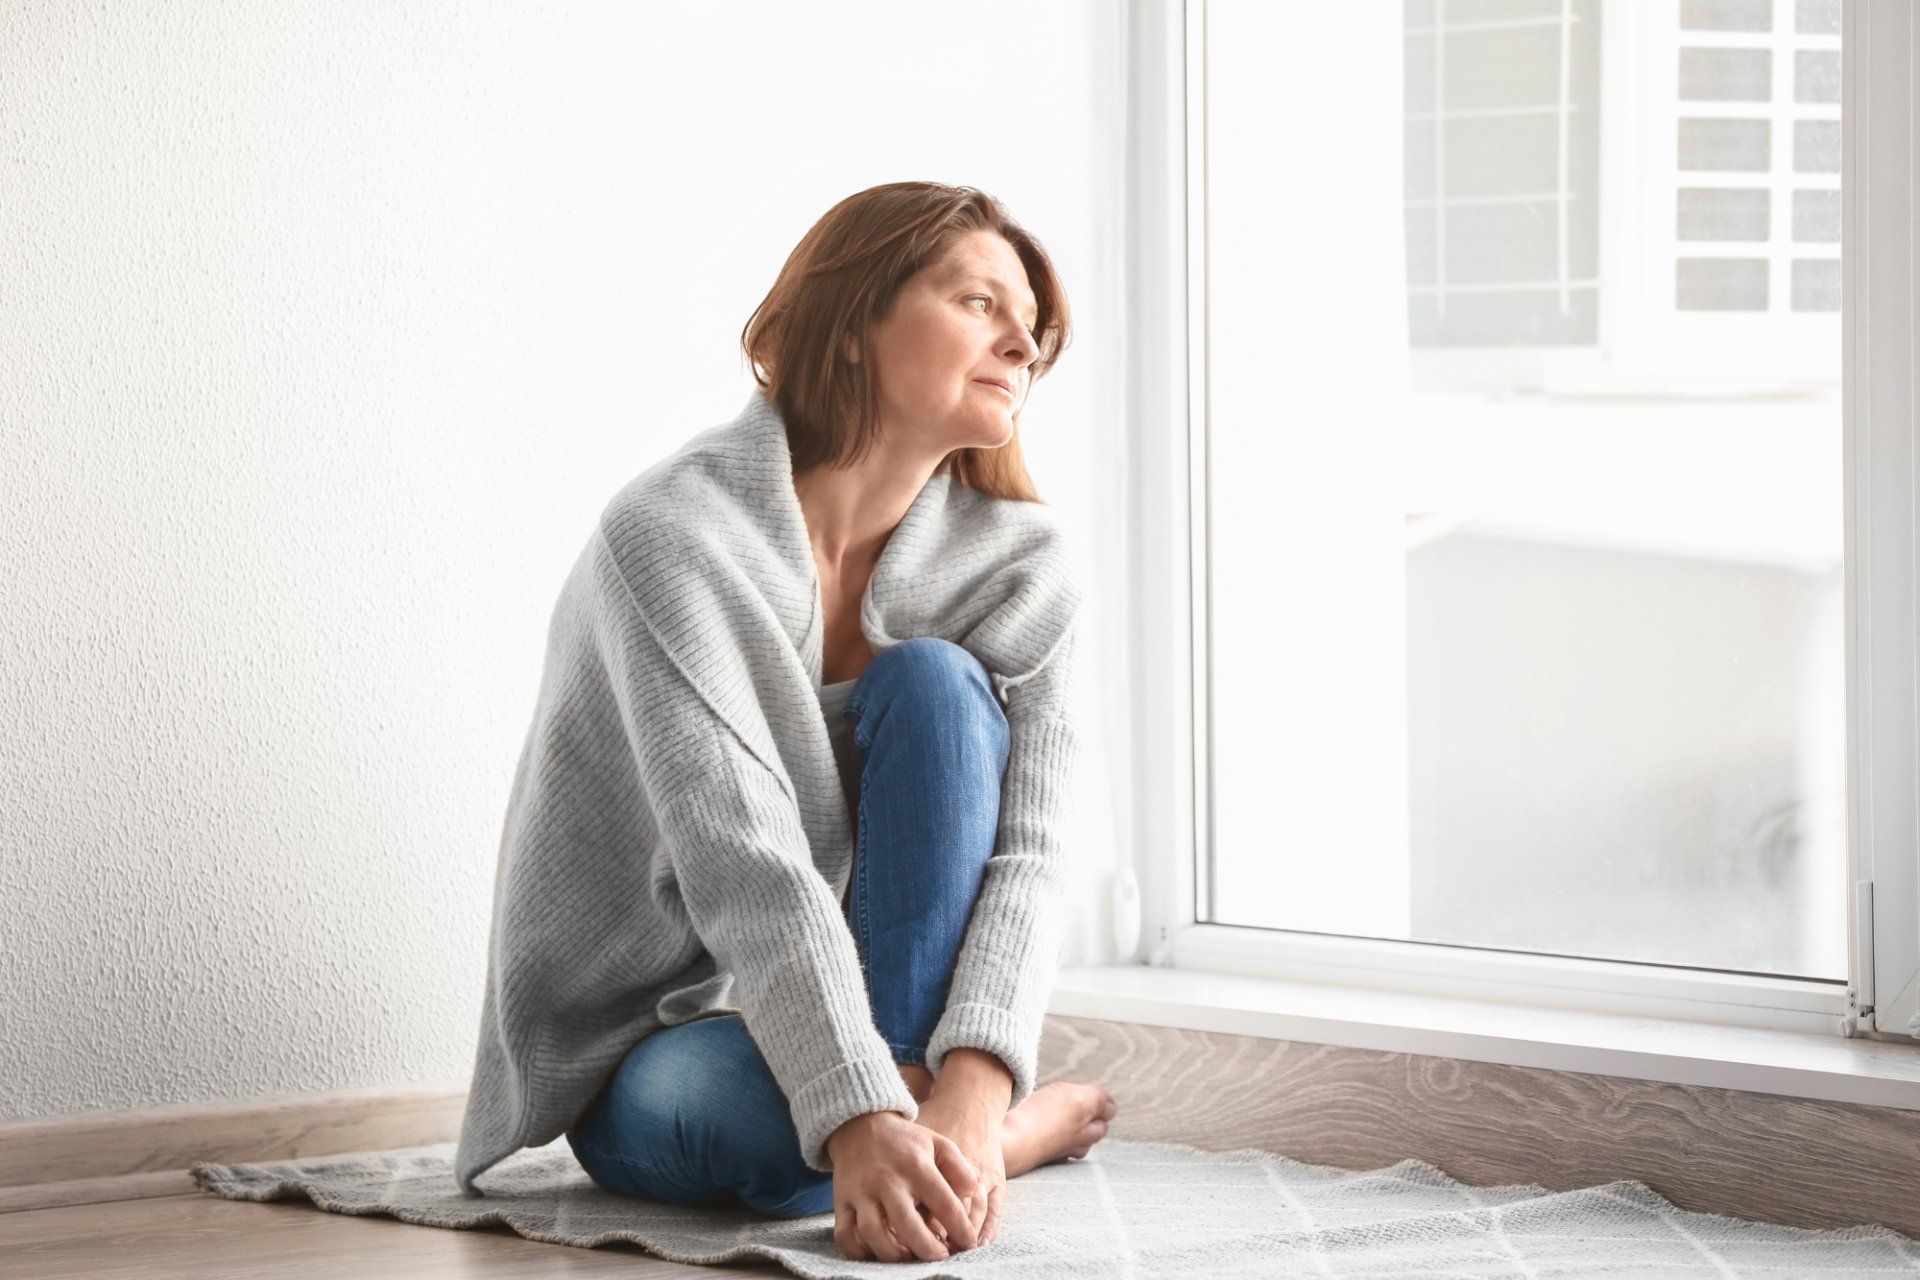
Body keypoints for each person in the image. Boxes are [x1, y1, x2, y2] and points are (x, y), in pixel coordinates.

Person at [453, 182, 1116, 1264]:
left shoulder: (1024, 565)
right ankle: (974, 1145)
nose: (1022, 342)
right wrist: (853, 1116)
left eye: (1033, 327)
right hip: (656, 1029)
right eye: (979, 302)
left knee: (942, 685)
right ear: (853, 323)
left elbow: (1029, 853)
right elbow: (742, 858)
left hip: (879, 1001)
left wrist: (973, 1075)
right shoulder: (673, 537)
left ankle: (945, 1133)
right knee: (763, 1127)